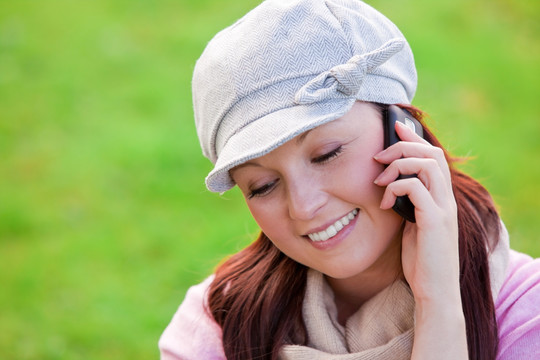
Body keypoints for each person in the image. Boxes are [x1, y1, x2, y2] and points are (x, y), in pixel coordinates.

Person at [159, 0, 540, 359]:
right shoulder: (215, 323)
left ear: (403, 130)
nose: (304, 207)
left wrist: (438, 304)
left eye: (327, 154)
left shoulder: (525, 311)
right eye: (263, 186)